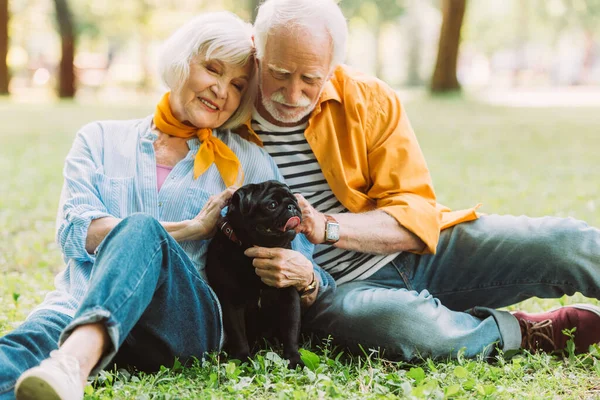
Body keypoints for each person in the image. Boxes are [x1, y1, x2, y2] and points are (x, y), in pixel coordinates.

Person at [236, 0, 600, 362]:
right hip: (335, 292)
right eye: (279, 72)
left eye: (310, 79)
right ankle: (523, 333)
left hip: (419, 254)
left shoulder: (368, 97)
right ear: (256, 48)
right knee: (413, 329)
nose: (293, 93)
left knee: (564, 243)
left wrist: (327, 227)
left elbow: (414, 216)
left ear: (332, 66)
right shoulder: (225, 116)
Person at [0, 12, 333, 400]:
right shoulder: (99, 139)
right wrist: (189, 229)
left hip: (180, 322)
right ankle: (80, 353)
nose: (221, 90)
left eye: (238, 84)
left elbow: (302, 260)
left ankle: (73, 361)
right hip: (76, 306)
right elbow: (76, 232)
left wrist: (306, 277)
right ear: (180, 63)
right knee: (15, 355)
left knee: (142, 228)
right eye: (212, 69)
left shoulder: (250, 163)